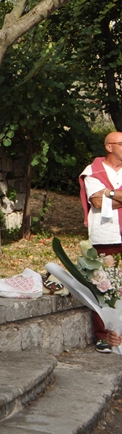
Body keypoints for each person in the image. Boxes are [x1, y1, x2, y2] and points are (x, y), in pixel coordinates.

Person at [79, 130, 122, 352]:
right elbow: (96, 201)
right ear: (109, 147)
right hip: (106, 236)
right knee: (104, 286)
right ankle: (103, 335)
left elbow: (104, 197)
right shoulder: (93, 171)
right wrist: (112, 196)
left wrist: (111, 194)